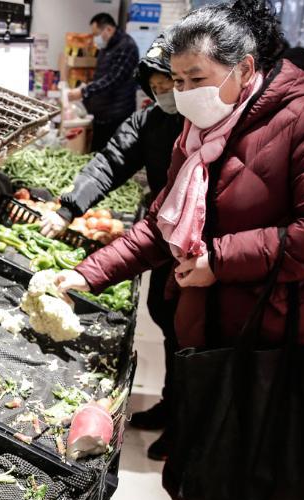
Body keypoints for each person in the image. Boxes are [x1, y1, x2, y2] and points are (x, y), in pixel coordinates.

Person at [56, 1, 304, 500]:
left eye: (196, 79)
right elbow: (160, 225)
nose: (183, 94)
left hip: (283, 335)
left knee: (267, 481)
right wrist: (83, 272)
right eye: (176, 82)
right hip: (209, 331)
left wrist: (220, 259)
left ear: (245, 67)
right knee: (206, 454)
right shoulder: (200, 132)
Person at [41, 36, 185, 460]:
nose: (163, 93)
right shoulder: (151, 121)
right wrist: (69, 207)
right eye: (156, 85)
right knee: (167, 318)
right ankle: (171, 403)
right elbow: (110, 162)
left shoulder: (205, 127)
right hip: (163, 239)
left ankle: (184, 423)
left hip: (199, 247)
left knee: (189, 335)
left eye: (170, 84)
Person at [68, 13, 140, 152]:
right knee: (97, 153)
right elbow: (101, 75)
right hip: (103, 112)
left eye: (96, 34)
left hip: (116, 114)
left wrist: (84, 91)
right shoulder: (107, 46)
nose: (95, 38)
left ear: (108, 29)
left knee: (110, 156)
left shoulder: (127, 46)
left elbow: (114, 79)